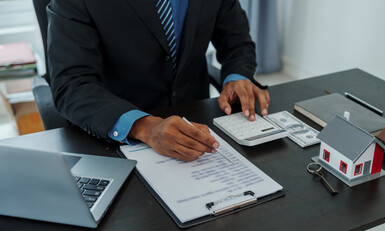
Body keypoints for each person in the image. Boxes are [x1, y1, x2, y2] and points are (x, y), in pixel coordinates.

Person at [47, 0, 270, 161]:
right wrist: (144, 126)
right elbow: (71, 84)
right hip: (114, 139)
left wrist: (236, 77)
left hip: (196, 124)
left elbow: (237, 42)